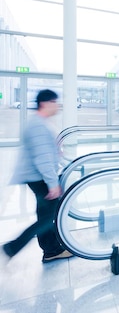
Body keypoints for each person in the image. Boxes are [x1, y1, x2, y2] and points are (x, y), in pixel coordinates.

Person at [3, 89, 73, 263]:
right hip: (39, 177)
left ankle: (51, 250)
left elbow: (45, 152)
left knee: (46, 214)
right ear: (45, 103)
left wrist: (57, 152)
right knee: (48, 217)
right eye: (55, 102)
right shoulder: (38, 126)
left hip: (37, 176)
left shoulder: (39, 123)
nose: (57, 106)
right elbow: (42, 158)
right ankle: (12, 247)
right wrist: (52, 183)